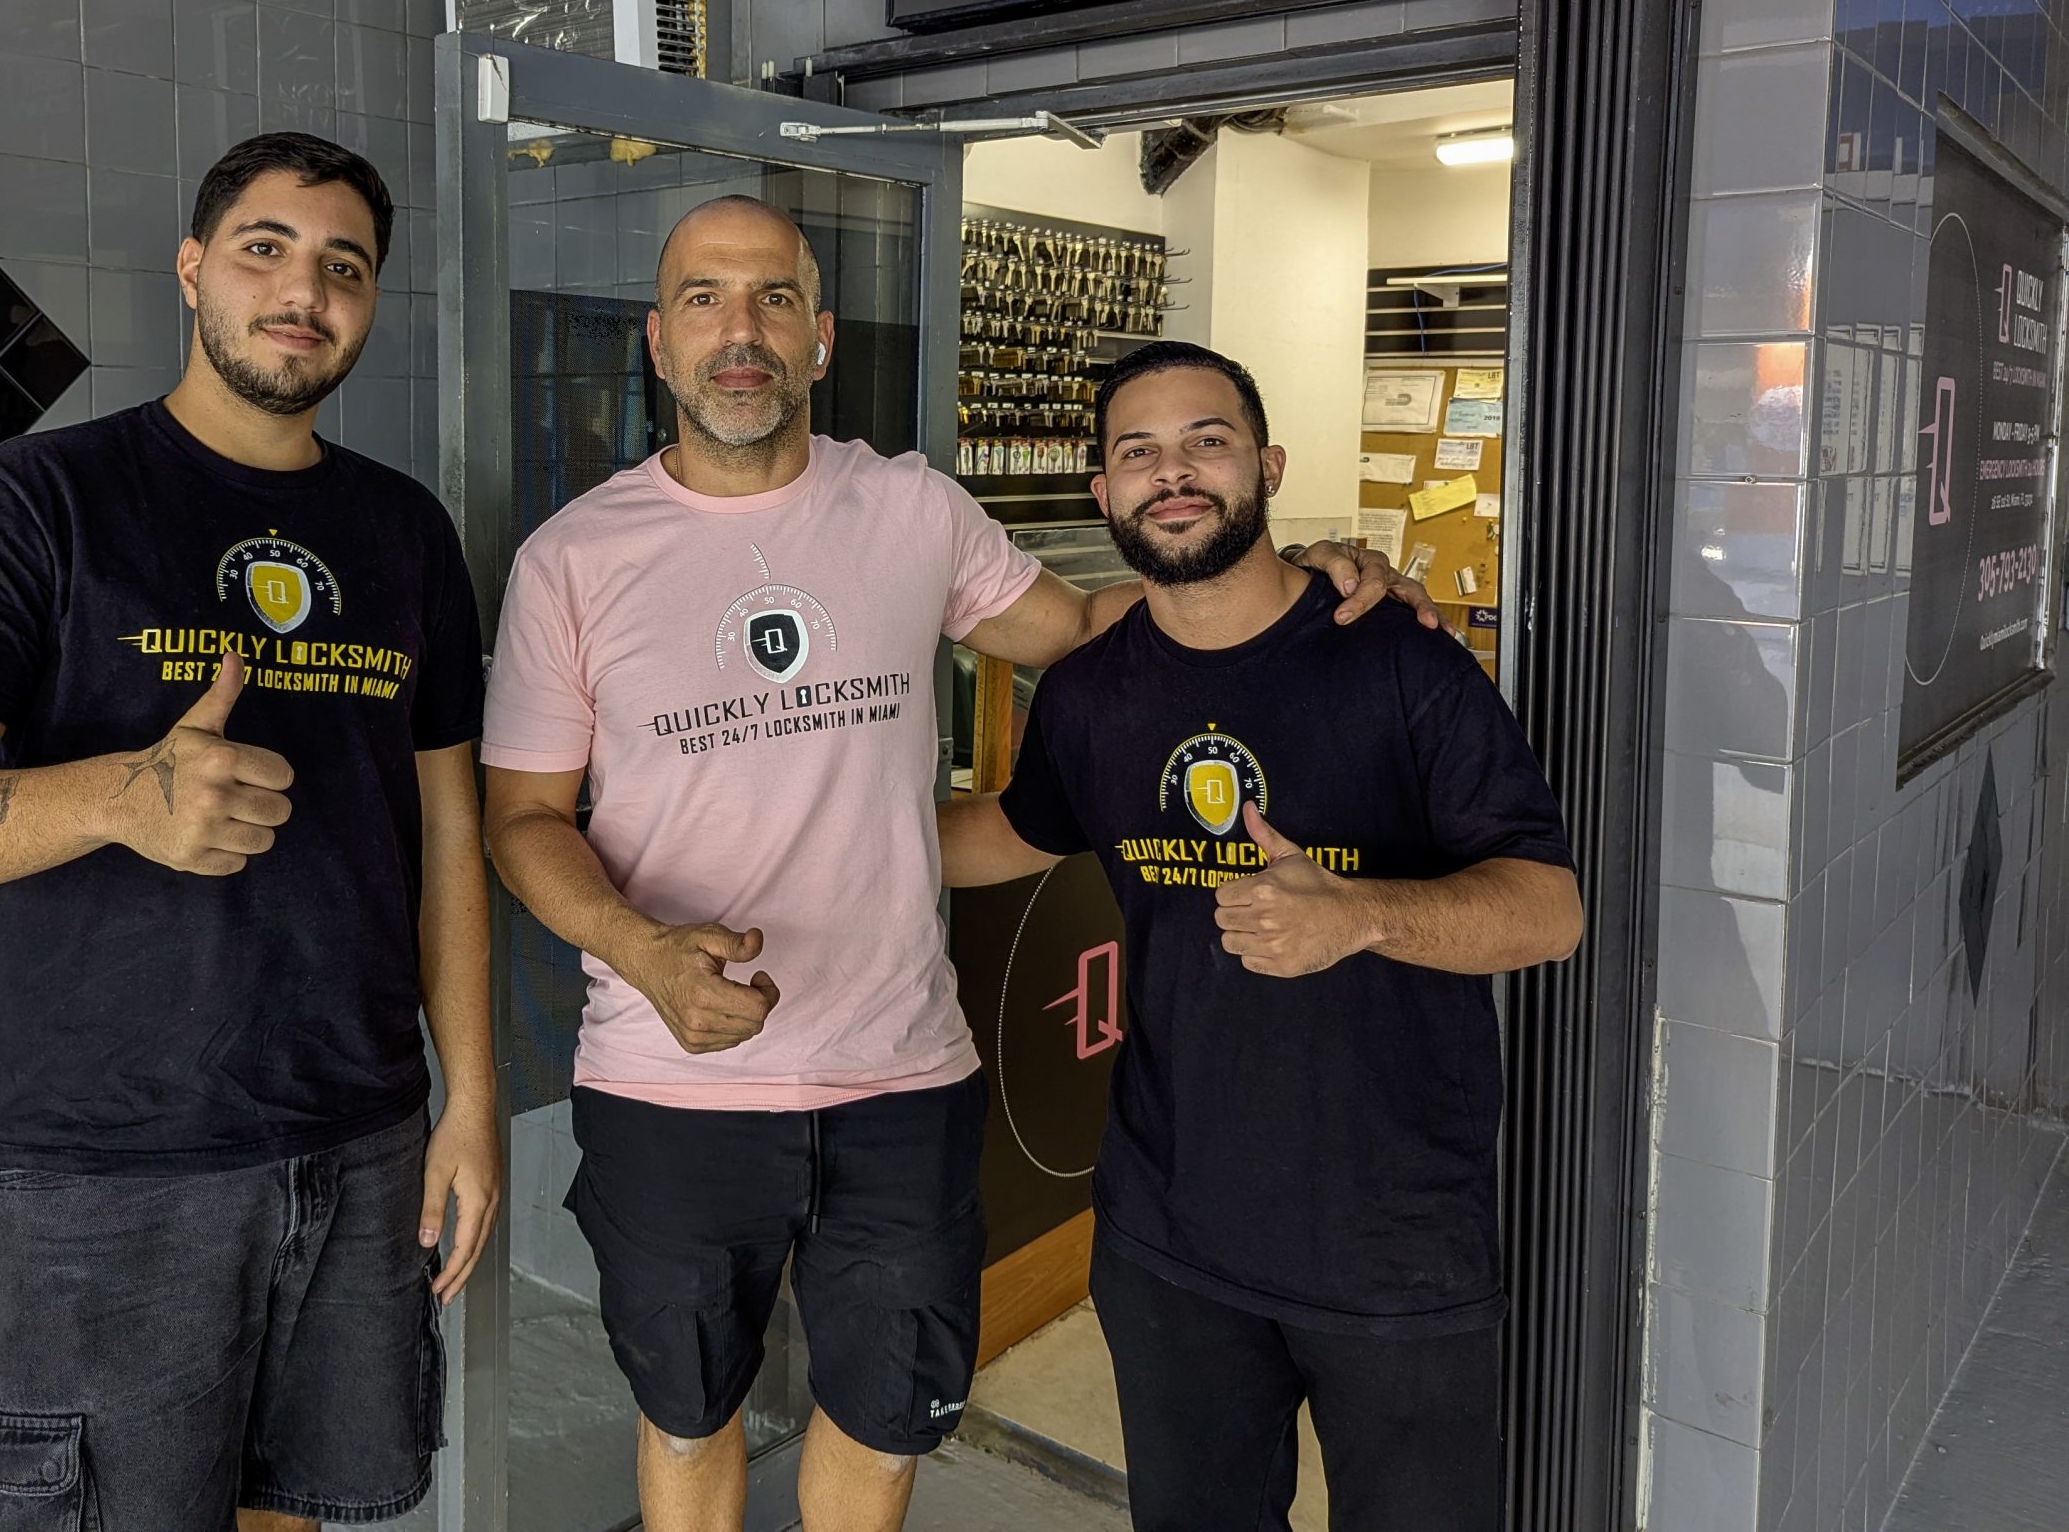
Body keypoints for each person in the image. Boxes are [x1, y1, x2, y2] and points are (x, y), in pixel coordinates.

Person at [478, 198, 1439, 1532]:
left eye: (773, 300)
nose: (739, 330)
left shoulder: (912, 508)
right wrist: (642, 953)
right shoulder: (572, 561)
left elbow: (1094, 627)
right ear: (658, 339)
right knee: (688, 1418)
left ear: (820, 338)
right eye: (704, 298)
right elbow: (524, 822)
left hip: (900, 1076)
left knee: (881, 1426)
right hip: (668, 1079)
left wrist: (1300, 570)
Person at [0, 132, 497, 1532]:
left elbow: (448, 834)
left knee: (294, 1502)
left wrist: (468, 1101)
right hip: (107, 1167)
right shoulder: (40, 500)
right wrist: (127, 795)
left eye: (343, 267)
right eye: (264, 248)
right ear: (192, 270)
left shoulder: (406, 533)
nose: (301, 290)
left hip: (359, 1132)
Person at [937, 341, 1583, 1532]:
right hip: (1169, 1225)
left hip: (1393, 1241)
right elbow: (1015, 833)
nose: (1171, 472)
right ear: (1102, 494)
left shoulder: (1398, 658)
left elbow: (1548, 908)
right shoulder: (1089, 693)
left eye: (1206, 441)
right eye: (1137, 451)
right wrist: (790, 827)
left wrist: (1366, 912)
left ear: (1268, 465)